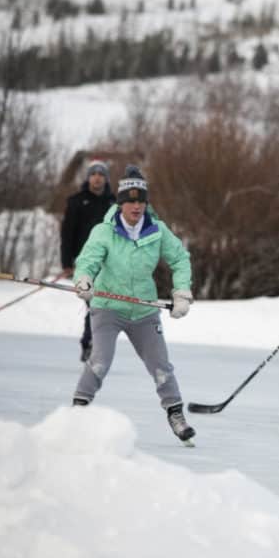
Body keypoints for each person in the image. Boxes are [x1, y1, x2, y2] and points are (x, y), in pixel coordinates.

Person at [71, 165, 196, 444]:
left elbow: (180, 259)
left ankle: (176, 415)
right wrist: (84, 279)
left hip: (144, 310)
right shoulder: (104, 231)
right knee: (100, 361)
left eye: (141, 201)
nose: (136, 206)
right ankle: (77, 412)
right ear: (120, 203)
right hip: (106, 306)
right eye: (130, 201)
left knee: (161, 366)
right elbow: (88, 260)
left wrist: (182, 292)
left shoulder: (157, 230)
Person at [60, 159, 115, 362]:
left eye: (101, 174)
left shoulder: (114, 204)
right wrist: (66, 262)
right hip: (85, 264)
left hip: (108, 263)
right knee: (94, 303)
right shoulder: (76, 201)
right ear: (88, 177)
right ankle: (89, 343)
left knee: (103, 305)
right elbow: (67, 234)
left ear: (106, 178)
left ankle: (92, 343)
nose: (97, 177)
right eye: (94, 174)